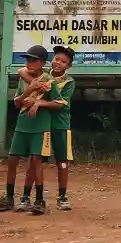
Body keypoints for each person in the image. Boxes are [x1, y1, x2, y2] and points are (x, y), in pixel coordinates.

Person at [0, 44, 59, 216]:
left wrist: (39, 103)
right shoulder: (24, 79)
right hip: (22, 124)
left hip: (40, 126)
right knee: (12, 159)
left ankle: (39, 200)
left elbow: (58, 103)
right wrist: (28, 91)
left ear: (42, 62)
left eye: (33, 60)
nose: (29, 63)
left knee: (36, 161)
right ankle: (8, 197)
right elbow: (16, 102)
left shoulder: (49, 81)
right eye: (28, 60)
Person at [44, 46, 76, 211]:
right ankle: (34, 196)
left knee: (62, 161)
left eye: (63, 61)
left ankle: (62, 196)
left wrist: (41, 102)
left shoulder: (69, 82)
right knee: (36, 160)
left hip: (60, 124)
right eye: (56, 59)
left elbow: (60, 104)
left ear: (68, 66)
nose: (58, 63)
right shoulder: (42, 75)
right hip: (42, 123)